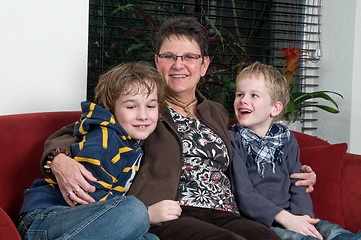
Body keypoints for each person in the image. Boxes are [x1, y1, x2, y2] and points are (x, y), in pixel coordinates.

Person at [38, 17, 316, 240]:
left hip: (227, 211)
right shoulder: (142, 107)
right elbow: (76, 131)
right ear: (157, 62)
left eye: (189, 57)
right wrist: (58, 160)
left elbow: (253, 154)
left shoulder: (216, 112)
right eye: (169, 56)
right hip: (170, 212)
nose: (178, 64)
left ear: (204, 65)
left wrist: (299, 176)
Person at [18, 62, 182, 240]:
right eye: (131, 107)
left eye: (150, 106)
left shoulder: (133, 141)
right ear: (112, 109)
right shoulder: (105, 139)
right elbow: (85, 195)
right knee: (134, 211)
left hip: (80, 225)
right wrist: (148, 214)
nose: (143, 115)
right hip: (45, 219)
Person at [229, 62, 361, 240]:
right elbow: (243, 194)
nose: (243, 100)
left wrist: (304, 219)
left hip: (292, 216)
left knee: (333, 232)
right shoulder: (233, 140)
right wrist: (288, 220)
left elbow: (298, 184)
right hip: (259, 222)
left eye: (254, 95)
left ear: (275, 108)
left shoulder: (287, 140)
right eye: (240, 94)